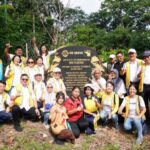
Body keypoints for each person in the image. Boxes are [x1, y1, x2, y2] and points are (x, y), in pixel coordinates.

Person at [137, 50, 150, 122]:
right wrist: (139, 73)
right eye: (144, 57)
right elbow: (137, 77)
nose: (146, 58)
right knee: (144, 104)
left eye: (147, 57)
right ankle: (146, 119)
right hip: (143, 87)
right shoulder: (141, 66)